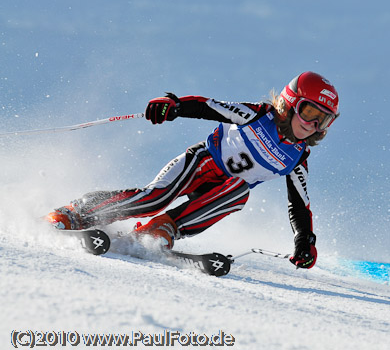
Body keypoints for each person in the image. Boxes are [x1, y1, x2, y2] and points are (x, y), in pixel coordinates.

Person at [44, 72, 339, 269]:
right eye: (310, 113)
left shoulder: (297, 157)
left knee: (239, 191)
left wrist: (304, 241)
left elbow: (299, 205)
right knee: (153, 199)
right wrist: (174, 106)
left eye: (323, 121)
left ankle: (161, 230)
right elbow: (210, 107)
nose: (313, 125)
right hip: (201, 163)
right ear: (289, 103)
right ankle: (79, 211)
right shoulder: (259, 115)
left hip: (219, 192)